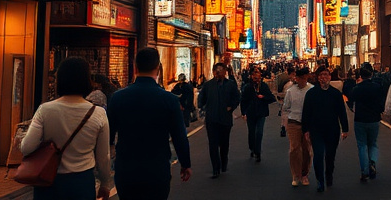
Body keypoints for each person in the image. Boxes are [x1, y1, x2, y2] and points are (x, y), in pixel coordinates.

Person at [21, 57, 112, 200]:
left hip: (48, 181)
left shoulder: (45, 110)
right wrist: (105, 184)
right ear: (87, 81)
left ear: (60, 80)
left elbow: (26, 147)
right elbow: (103, 157)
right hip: (82, 182)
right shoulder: (98, 113)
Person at [107, 48, 191, 200]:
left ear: (135, 68)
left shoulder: (118, 98)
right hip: (157, 169)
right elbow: (179, 136)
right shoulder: (169, 100)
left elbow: (109, 135)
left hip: (126, 169)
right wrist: (185, 163)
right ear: (158, 68)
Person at [302, 66, 349, 192]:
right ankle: (320, 180)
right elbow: (306, 112)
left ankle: (329, 175)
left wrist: (345, 128)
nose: (324, 77)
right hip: (316, 130)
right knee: (318, 155)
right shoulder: (311, 93)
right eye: (321, 75)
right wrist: (305, 129)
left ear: (330, 77)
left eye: (326, 75)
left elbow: (342, 112)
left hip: (332, 129)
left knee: (330, 156)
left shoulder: (336, 94)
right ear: (317, 77)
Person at [196, 62, 240, 178]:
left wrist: (231, 106)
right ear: (213, 72)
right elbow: (201, 100)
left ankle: (224, 162)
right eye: (217, 71)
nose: (219, 73)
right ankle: (215, 168)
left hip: (225, 119)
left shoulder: (230, 84)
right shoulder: (208, 85)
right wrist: (203, 107)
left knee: (224, 143)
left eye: (221, 71)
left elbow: (237, 98)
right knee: (213, 144)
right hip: (211, 119)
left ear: (225, 72)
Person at [347, 62, 383, 182]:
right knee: (373, 143)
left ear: (360, 76)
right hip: (374, 119)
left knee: (362, 145)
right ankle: (372, 161)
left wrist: (352, 109)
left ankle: (364, 170)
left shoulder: (357, 88)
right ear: (371, 74)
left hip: (360, 119)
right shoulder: (377, 87)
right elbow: (381, 102)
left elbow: (350, 100)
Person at [283, 66, 313, 186]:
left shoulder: (312, 90)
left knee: (306, 149)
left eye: (304, 77)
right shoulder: (290, 91)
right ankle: (296, 175)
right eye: (299, 78)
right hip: (293, 122)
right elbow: (285, 108)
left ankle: (304, 174)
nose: (301, 80)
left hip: (308, 124)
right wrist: (284, 124)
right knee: (294, 149)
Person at [241, 67, 276, 162]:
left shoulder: (264, 86)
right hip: (251, 113)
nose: (257, 80)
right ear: (252, 77)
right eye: (255, 78)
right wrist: (243, 113)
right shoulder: (248, 87)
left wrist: (263, 97)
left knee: (259, 132)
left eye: (258, 78)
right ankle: (252, 148)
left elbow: (272, 98)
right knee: (251, 132)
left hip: (261, 113)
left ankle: (258, 151)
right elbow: (243, 100)